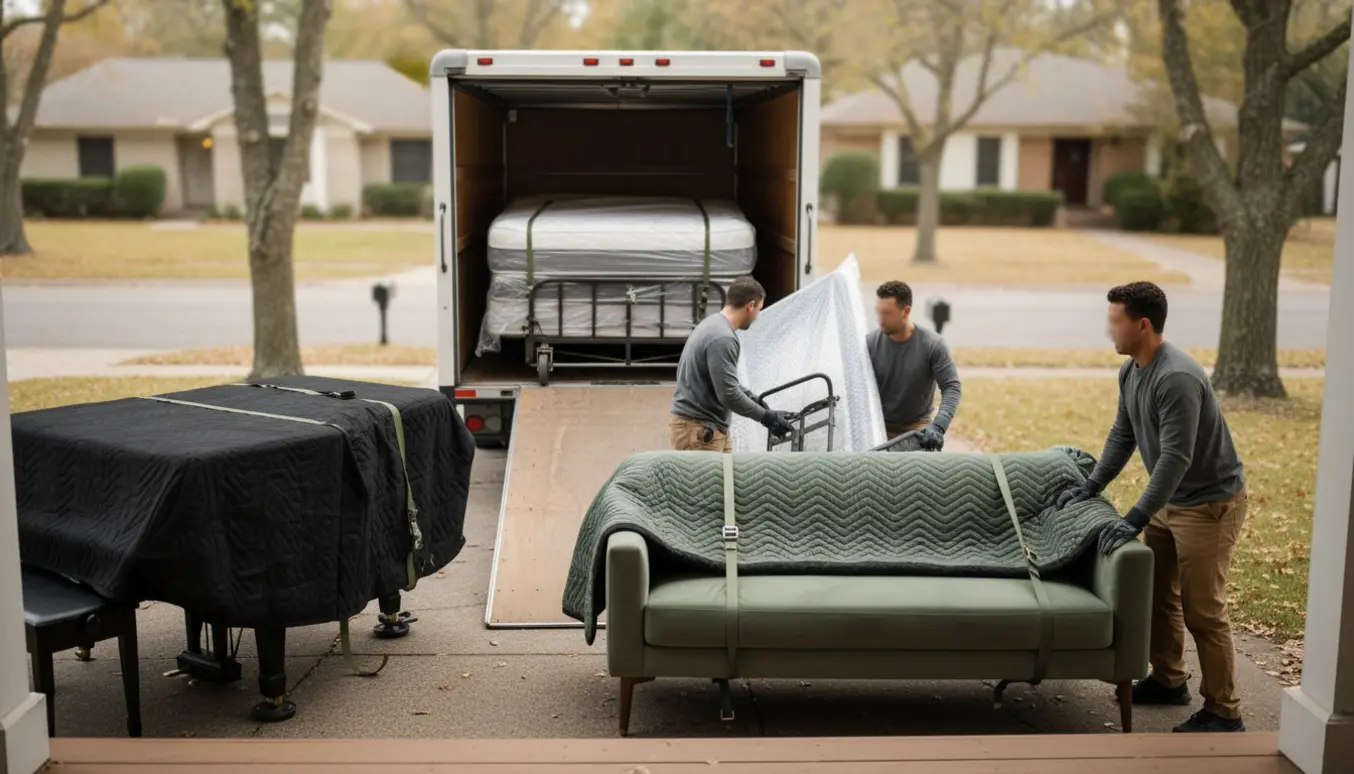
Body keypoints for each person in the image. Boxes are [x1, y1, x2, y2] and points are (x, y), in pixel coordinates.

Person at [1053, 281, 1247, 733]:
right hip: (1171, 501)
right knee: (1160, 597)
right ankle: (1168, 679)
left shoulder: (1176, 377)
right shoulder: (1132, 371)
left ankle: (1225, 709)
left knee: (1204, 610)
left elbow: (1175, 458)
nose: (1109, 331)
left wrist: (1135, 516)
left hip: (1209, 504)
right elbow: (1123, 434)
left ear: (1142, 325)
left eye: (1115, 321)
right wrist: (1092, 484)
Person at [669, 276, 795, 451]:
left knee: (728, 479)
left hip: (707, 428)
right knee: (710, 480)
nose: (757, 317)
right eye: (759, 309)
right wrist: (766, 418)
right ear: (750, 306)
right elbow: (728, 394)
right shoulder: (722, 338)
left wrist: (756, 401)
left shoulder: (713, 324)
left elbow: (725, 381)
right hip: (699, 431)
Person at [866, 280, 961, 450]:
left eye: (887, 313)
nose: (880, 320)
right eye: (879, 312)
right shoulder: (870, 343)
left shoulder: (933, 344)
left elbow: (951, 387)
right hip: (878, 429)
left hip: (917, 430)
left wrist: (938, 426)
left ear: (906, 311)